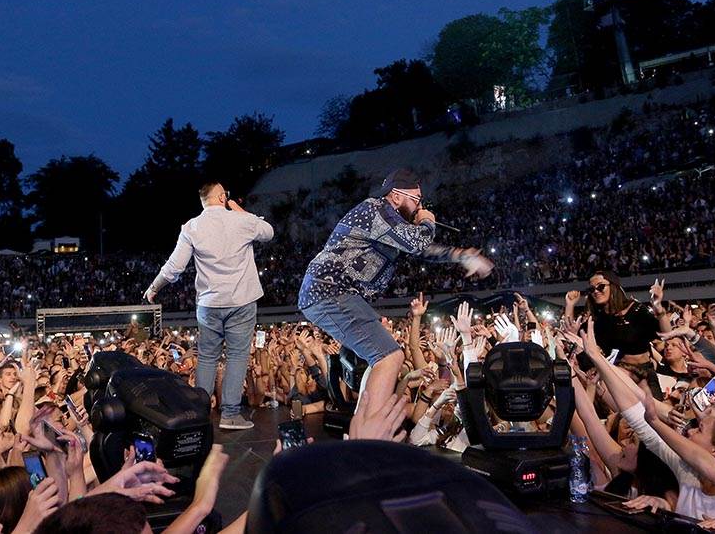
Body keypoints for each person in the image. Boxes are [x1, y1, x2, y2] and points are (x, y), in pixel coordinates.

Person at [298, 168, 492, 412]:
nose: (419, 207)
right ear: (396, 196)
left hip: (333, 294)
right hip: (332, 292)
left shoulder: (389, 223)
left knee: (379, 359)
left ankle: (363, 426)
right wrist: (427, 220)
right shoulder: (376, 209)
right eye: (416, 200)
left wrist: (461, 256)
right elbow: (418, 241)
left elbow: (421, 250)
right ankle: (370, 432)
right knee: (390, 357)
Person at [144, 182, 274, 430]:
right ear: (222, 197)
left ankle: (199, 415)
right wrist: (240, 211)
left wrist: (154, 288)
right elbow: (268, 232)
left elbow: (174, 267)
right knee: (236, 356)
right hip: (241, 301)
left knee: (207, 358)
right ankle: (231, 415)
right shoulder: (241, 220)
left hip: (209, 304)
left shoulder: (191, 227)